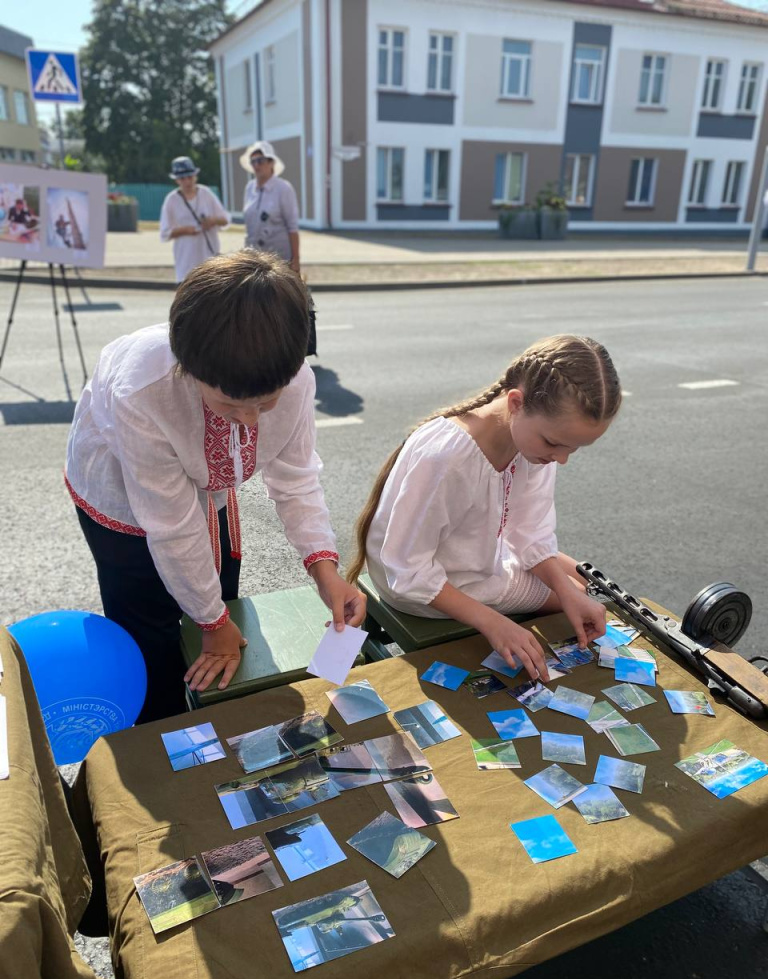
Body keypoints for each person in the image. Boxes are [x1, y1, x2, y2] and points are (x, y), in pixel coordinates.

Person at [65, 249, 365, 724]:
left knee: (222, 598)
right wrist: (211, 621)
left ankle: (211, 705)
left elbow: (296, 479)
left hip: (200, 489)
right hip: (122, 493)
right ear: (189, 370)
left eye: (266, 403)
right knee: (148, 620)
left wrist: (325, 571)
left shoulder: (295, 379)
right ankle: (162, 721)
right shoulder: (144, 391)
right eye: (229, 404)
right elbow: (170, 524)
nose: (248, 420)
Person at [347, 334, 622, 682]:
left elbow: (529, 533)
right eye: (554, 443)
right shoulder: (448, 458)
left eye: (574, 448)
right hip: (426, 587)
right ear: (516, 402)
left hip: (467, 561)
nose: (562, 459)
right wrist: (493, 622)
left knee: (576, 586)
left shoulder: (532, 443)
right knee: (579, 592)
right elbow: (407, 571)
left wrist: (566, 592)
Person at [159, 156, 230, 282]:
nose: (187, 181)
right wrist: (185, 230)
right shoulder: (172, 200)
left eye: (190, 177)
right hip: (186, 263)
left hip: (209, 260)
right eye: (182, 178)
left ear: (195, 176)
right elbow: (165, 233)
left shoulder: (206, 193)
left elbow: (225, 220)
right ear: (177, 180)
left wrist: (212, 221)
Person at [241, 141, 300, 273]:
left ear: (271, 162)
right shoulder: (249, 188)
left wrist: (295, 260)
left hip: (278, 261)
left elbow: (292, 227)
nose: (256, 165)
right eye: (253, 161)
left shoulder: (283, 188)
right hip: (253, 259)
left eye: (260, 160)